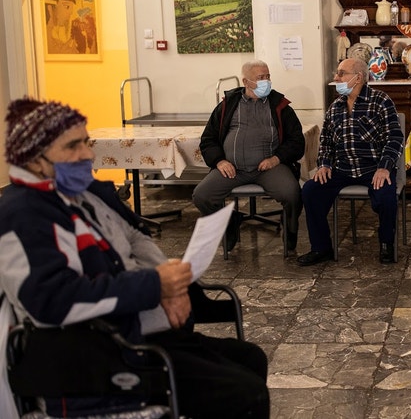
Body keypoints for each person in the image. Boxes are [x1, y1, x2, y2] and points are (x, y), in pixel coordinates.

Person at [0, 98, 269, 418]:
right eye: (72, 147)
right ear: (33, 161)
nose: (87, 154)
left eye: (86, 142)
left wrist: (171, 287)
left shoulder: (83, 194)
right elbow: (51, 301)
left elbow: (135, 235)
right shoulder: (24, 213)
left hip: (134, 328)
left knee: (250, 358)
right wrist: (155, 286)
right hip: (96, 355)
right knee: (244, 395)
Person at [298, 57, 404, 265]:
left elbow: (395, 137)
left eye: (341, 73)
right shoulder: (335, 107)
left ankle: (386, 244)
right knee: (311, 191)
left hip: (373, 168)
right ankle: (321, 248)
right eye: (337, 73)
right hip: (342, 169)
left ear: (358, 77)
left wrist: (384, 168)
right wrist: (324, 164)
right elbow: (326, 140)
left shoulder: (381, 101)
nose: (336, 77)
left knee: (385, 196)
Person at [193, 60, 305, 252]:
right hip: (232, 168)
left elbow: (296, 141)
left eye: (268, 76)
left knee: (292, 193)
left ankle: (290, 231)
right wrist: (219, 161)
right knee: (202, 195)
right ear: (246, 81)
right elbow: (208, 139)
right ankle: (229, 223)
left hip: (269, 168)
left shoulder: (280, 106)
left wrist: (275, 159)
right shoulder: (227, 106)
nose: (266, 81)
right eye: (261, 78)